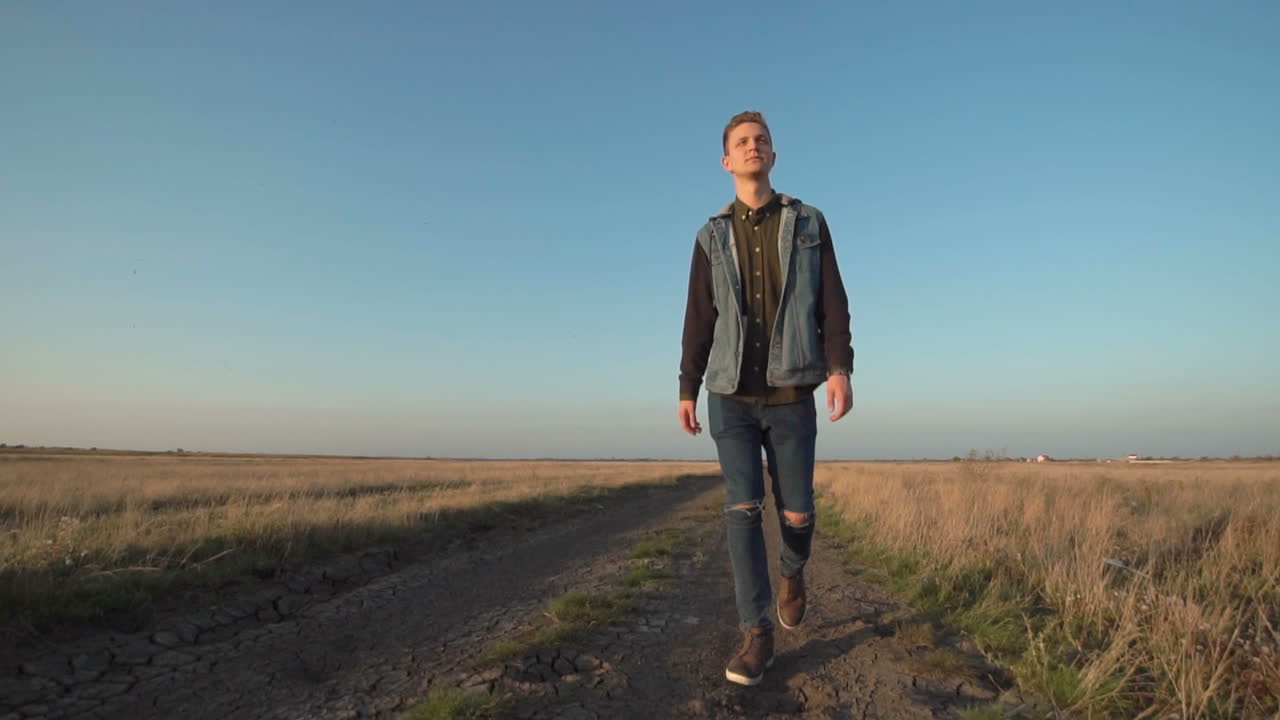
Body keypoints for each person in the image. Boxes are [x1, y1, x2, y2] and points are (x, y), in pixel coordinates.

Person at [678, 110, 854, 686]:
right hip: (728, 392)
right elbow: (699, 318)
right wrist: (687, 385)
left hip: (792, 390)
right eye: (742, 143)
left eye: (762, 141)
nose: (754, 147)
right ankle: (757, 635)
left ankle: (794, 570)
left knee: (797, 511)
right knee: (742, 511)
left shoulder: (809, 223)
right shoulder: (710, 236)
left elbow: (831, 300)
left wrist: (839, 369)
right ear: (727, 161)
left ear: (773, 156)